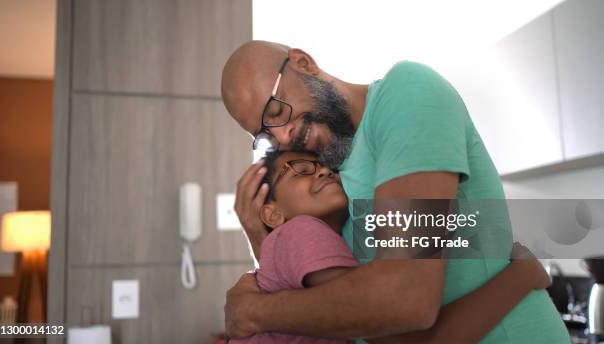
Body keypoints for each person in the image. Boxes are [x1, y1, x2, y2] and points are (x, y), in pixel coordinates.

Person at [221, 41, 570, 342]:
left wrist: (256, 311)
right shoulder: (328, 173)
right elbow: (333, 291)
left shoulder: (406, 93)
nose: (282, 137)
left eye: (277, 111)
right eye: (266, 135)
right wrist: (266, 241)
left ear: (303, 63)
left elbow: (405, 297)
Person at [229, 149, 551, 344]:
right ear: (271, 212)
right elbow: (400, 335)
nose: (325, 169)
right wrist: (522, 276)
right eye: (300, 168)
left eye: (325, 163)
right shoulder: (301, 231)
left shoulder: (304, 242)